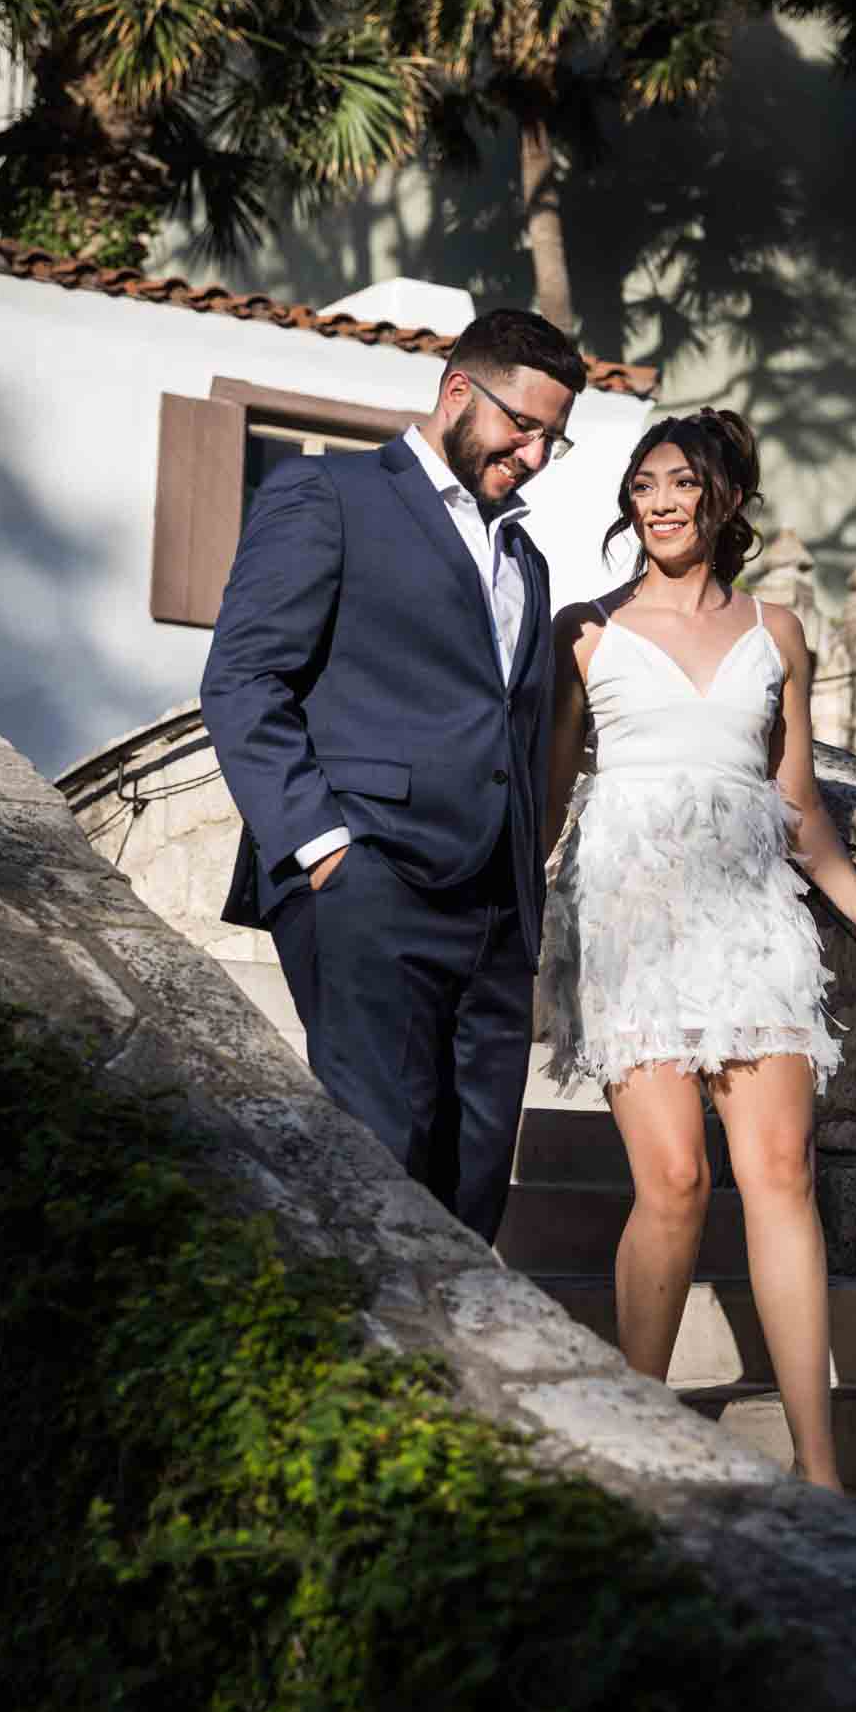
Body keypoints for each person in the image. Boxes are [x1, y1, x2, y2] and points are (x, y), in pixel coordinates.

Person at [540, 408, 856, 1491]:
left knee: (781, 1172)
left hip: (752, 918)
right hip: (629, 918)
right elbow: (552, 792)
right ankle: (635, 1444)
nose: (657, 501)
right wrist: (516, 916)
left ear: (725, 501)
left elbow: (797, 805)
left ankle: (821, 1466)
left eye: (680, 483)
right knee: (676, 1179)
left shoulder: (779, 629)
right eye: (643, 482)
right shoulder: (585, 630)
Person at [201, 308, 587, 1245]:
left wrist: (525, 868)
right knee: (380, 1160)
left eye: (553, 439)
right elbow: (244, 678)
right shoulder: (326, 493)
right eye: (521, 427)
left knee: (477, 1175)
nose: (533, 455)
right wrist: (324, 845)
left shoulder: (524, 558)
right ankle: (362, 1378)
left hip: (496, 910)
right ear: (459, 390)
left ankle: (447, 1385)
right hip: (368, 881)